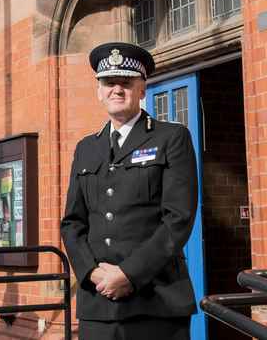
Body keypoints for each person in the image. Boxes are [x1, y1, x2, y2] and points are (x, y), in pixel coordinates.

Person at [60, 42, 198, 340]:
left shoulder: (171, 138)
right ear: (99, 90)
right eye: (109, 83)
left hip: (156, 301)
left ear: (142, 88)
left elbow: (178, 218)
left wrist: (128, 275)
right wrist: (91, 273)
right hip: (97, 303)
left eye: (126, 82)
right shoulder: (87, 148)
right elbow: (73, 223)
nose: (117, 89)